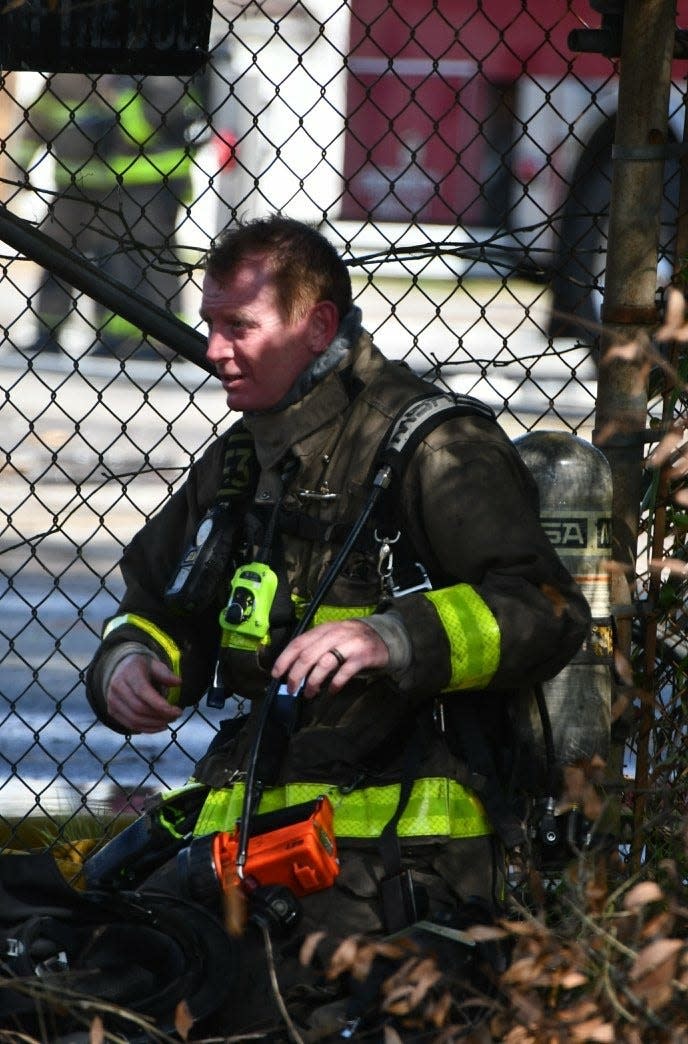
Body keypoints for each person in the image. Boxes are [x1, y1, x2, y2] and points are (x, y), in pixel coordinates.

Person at [85, 215, 590, 1038]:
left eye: (239, 327)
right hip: (244, 867)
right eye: (212, 324)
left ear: (317, 325)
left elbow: (546, 609)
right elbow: (156, 602)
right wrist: (133, 660)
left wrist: (395, 636)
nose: (214, 350)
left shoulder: (431, 446)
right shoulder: (240, 463)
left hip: (396, 879)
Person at [11, 72, 203, 357]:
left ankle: (129, 338)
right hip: (73, 186)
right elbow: (37, 121)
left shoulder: (137, 76)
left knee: (115, 259)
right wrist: (21, 165)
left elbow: (149, 127)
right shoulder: (64, 77)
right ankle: (48, 331)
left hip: (118, 186)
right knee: (56, 254)